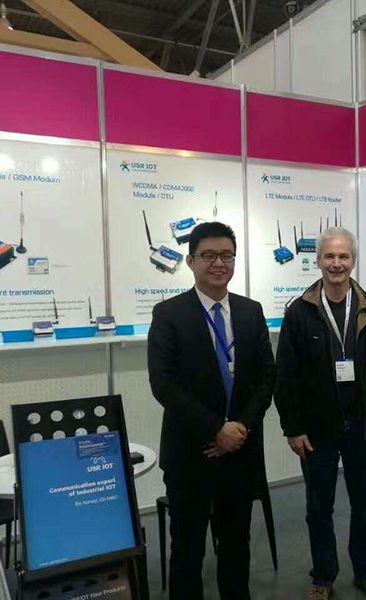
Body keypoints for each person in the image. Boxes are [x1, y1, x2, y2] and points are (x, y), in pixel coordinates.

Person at [147, 221, 276, 600]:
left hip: (240, 453)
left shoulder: (251, 312)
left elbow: (268, 376)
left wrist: (240, 429)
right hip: (192, 454)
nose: (219, 263)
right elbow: (163, 384)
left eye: (226, 255)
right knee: (187, 551)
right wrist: (216, 429)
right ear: (190, 261)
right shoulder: (169, 314)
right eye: (208, 255)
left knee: (237, 546)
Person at [274, 227, 366, 600]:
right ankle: (323, 577)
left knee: (365, 506)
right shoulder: (299, 312)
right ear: (318, 260)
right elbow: (286, 375)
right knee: (318, 508)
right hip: (317, 431)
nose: (336, 263)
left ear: (353, 261)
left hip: (363, 428)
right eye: (329, 256)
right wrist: (293, 428)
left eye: (343, 256)